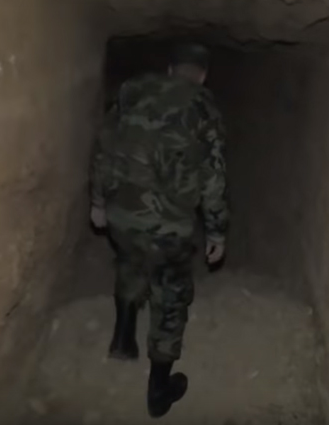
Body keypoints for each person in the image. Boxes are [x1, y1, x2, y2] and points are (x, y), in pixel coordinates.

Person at [88, 42, 229, 418]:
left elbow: (104, 148)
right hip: (169, 224)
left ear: (170, 69)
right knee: (170, 298)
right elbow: (213, 176)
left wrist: (98, 202)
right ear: (203, 75)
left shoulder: (131, 95)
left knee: (130, 262)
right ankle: (158, 390)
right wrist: (216, 231)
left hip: (121, 213)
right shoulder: (203, 107)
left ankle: (122, 340)